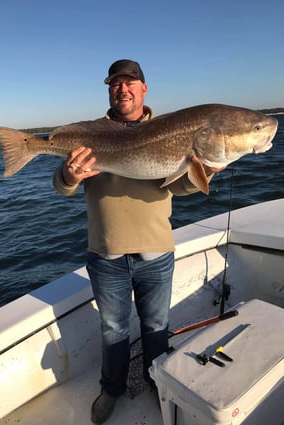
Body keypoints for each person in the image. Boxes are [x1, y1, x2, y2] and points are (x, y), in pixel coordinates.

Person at [53, 59, 225, 424]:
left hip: (156, 251)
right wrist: (69, 174)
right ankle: (110, 389)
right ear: (110, 91)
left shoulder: (172, 129)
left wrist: (204, 170)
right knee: (112, 329)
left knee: (155, 326)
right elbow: (62, 186)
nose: (123, 89)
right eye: (116, 84)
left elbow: (177, 185)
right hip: (106, 252)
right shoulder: (92, 132)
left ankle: (156, 380)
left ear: (144, 89)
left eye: (130, 83)